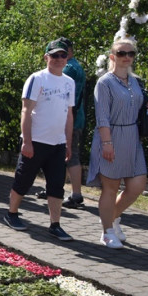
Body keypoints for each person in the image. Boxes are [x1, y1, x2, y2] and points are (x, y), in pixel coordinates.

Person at [2, 39, 75, 240]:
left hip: (58, 143)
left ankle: (55, 224)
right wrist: (27, 141)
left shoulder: (69, 82)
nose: (59, 59)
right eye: (54, 56)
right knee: (23, 179)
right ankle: (12, 213)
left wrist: (68, 143)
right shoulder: (37, 79)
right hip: (36, 141)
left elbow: (69, 114)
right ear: (46, 58)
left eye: (63, 55)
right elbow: (26, 110)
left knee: (56, 184)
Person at [87, 38, 148, 249]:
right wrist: (107, 142)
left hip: (132, 136)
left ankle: (112, 218)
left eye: (131, 53)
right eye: (121, 53)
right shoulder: (105, 82)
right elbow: (102, 116)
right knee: (111, 187)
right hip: (112, 136)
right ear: (112, 56)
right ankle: (107, 231)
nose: (126, 57)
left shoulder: (135, 81)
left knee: (137, 185)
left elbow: (136, 102)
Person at [62, 38, 87, 208]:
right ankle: (56, 188)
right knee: (66, 155)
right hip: (76, 117)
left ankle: (76, 194)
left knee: (71, 155)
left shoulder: (69, 68)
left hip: (70, 118)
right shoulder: (75, 66)